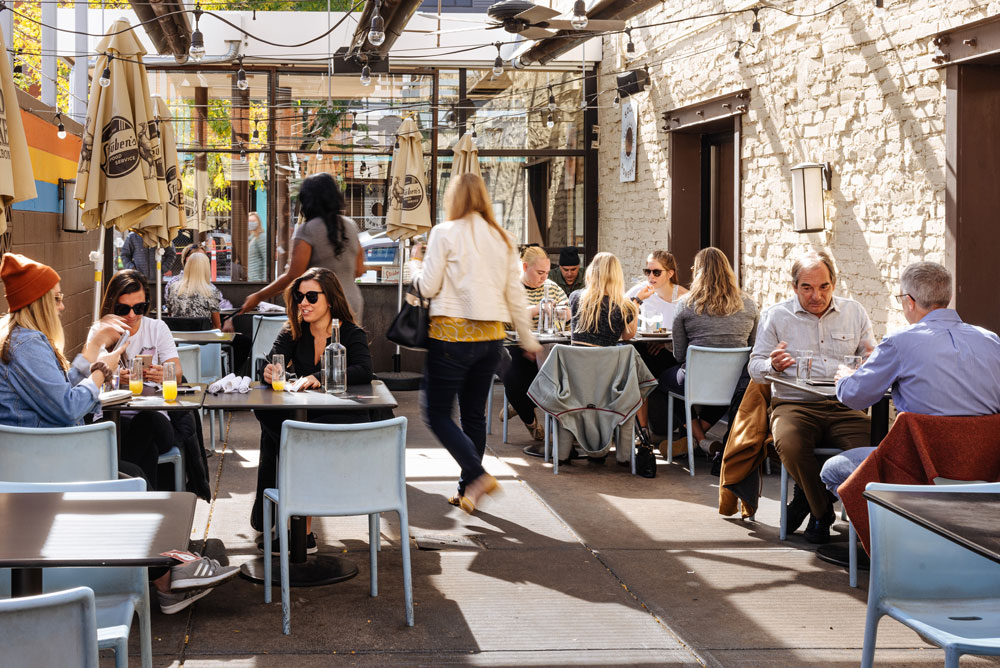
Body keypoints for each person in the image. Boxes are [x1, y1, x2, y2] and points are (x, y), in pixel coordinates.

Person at [0, 254, 237, 614]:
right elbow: (66, 407)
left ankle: (167, 574)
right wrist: (101, 372)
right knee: (135, 481)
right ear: (41, 303)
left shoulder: (19, 341)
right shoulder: (28, 345)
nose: (63, 307)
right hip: (47, 468)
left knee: (141, 454)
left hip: (40, 461)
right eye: (58, 298)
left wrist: (92, 354)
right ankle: (167, 578)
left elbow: (59, 391)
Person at [414, 173, 538, 515]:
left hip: (452, 338)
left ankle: (479, 475)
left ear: (454, 199)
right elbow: (514, 295)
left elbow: (426, 287)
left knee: (436, 414)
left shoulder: (444, 233)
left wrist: (414, 264)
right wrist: (527, 339)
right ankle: (468, 489)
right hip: (491, 341)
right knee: (473, 415)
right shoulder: (502, 239)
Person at [820, 261, 1000, 495]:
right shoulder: (992, 341)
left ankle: (892, 528)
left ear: (909, 301)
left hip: (919, 471)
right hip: (985, 472)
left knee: (832, 471)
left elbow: (855, 397)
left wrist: (845, 378)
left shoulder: (900, 342)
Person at [748, 250, 874, 544]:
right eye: (807, 287)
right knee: (790, 444)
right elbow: (754, 369)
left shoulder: (855, 313)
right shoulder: (776, 316)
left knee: (879, 448)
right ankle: (822, 513)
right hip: (794, 404)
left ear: (833, 284)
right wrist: (772, 365)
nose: (816, 295)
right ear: (794, 287)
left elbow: (870, 358)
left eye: (823, 286)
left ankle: (812, 495)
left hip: (845, 405)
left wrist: (868, 365)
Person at [253, 267, 374, 550]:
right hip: (308, 416)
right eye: (298, 297)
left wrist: (318, 377)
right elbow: (271, 363)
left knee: (289, 440)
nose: (303, 303)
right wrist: (269, 372)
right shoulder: (293, 329)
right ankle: (300, 534)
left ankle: (285, 524)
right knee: (275, 421)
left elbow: (365, 370)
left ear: (330, 299)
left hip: (345, 416)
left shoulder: (350, 332)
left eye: (311, 296)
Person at [99, 270, 211, 497]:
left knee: (146, 421)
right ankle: (151, 504)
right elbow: (91, 378)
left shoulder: (157, 328)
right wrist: (114, 378)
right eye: (123, 309)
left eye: (138, 308)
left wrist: (164, 374)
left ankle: (133, 497)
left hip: (156, 417)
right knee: (145, 446)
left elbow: (177, 373)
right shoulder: (102, 332)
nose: (131, 315)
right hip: (115, 420)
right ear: (112, 305)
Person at [646, 247, 759, 453]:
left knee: (665, 379)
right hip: (734, 383)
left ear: (697, 272)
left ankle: (698, 438)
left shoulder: (686, 304)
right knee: (727, 389)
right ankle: (702, 438)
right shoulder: (749, 305)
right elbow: (753, 348)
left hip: (695, 381)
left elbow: (679, 355)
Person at [237, 173, 366, 323]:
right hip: (352, 302)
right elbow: (359, 270)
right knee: (346, 345)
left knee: (317, 346)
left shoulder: (307, 230)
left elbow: (293, 275)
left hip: (320, 304)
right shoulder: (350, 225)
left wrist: (258, 297)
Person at [502, 245, 566, 444]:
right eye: (540, 272)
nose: (544, 277)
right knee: (513, 378)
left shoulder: (552, 287)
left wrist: (563, 312)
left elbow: (569, 311)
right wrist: (537, 309)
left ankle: (520, 403)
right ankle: (531, 423)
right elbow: (507, 318)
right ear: (524, 266)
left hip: (547, 346)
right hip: (516, 345)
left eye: (547, 272)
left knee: (564, 375)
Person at [626, 250, 687, 378]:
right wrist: (636, 301)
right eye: (647, 272)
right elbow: (618, 309)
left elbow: (690, 331)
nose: (651, 276)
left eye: (656, 272)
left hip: (670, 351)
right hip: (643, 347)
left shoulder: (683, 296)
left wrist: (665, 344)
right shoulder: (640, 290)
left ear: (670, 273)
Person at [568, 252, 637, 347]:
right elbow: (627, 336)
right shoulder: (625, 306)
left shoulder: (575, 297)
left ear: (591, 271)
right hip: (606, 361)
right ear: (618, 276)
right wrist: (636, 303)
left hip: (575, 360)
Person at [166, 252, 223, 329]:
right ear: (206, 269)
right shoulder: (211, 292)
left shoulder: (173, 288)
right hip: (203, 339)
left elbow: (170, 315)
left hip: (177, 338)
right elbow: (217, 326)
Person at [247, 212, 267, 282]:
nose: (251, 223)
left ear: (258, 222)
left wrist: (265, 279)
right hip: (250, 279)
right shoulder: (251, 238)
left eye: (253, 221)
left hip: (257, 280)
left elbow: (266, 259)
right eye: (249, 221)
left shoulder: (261, 237)